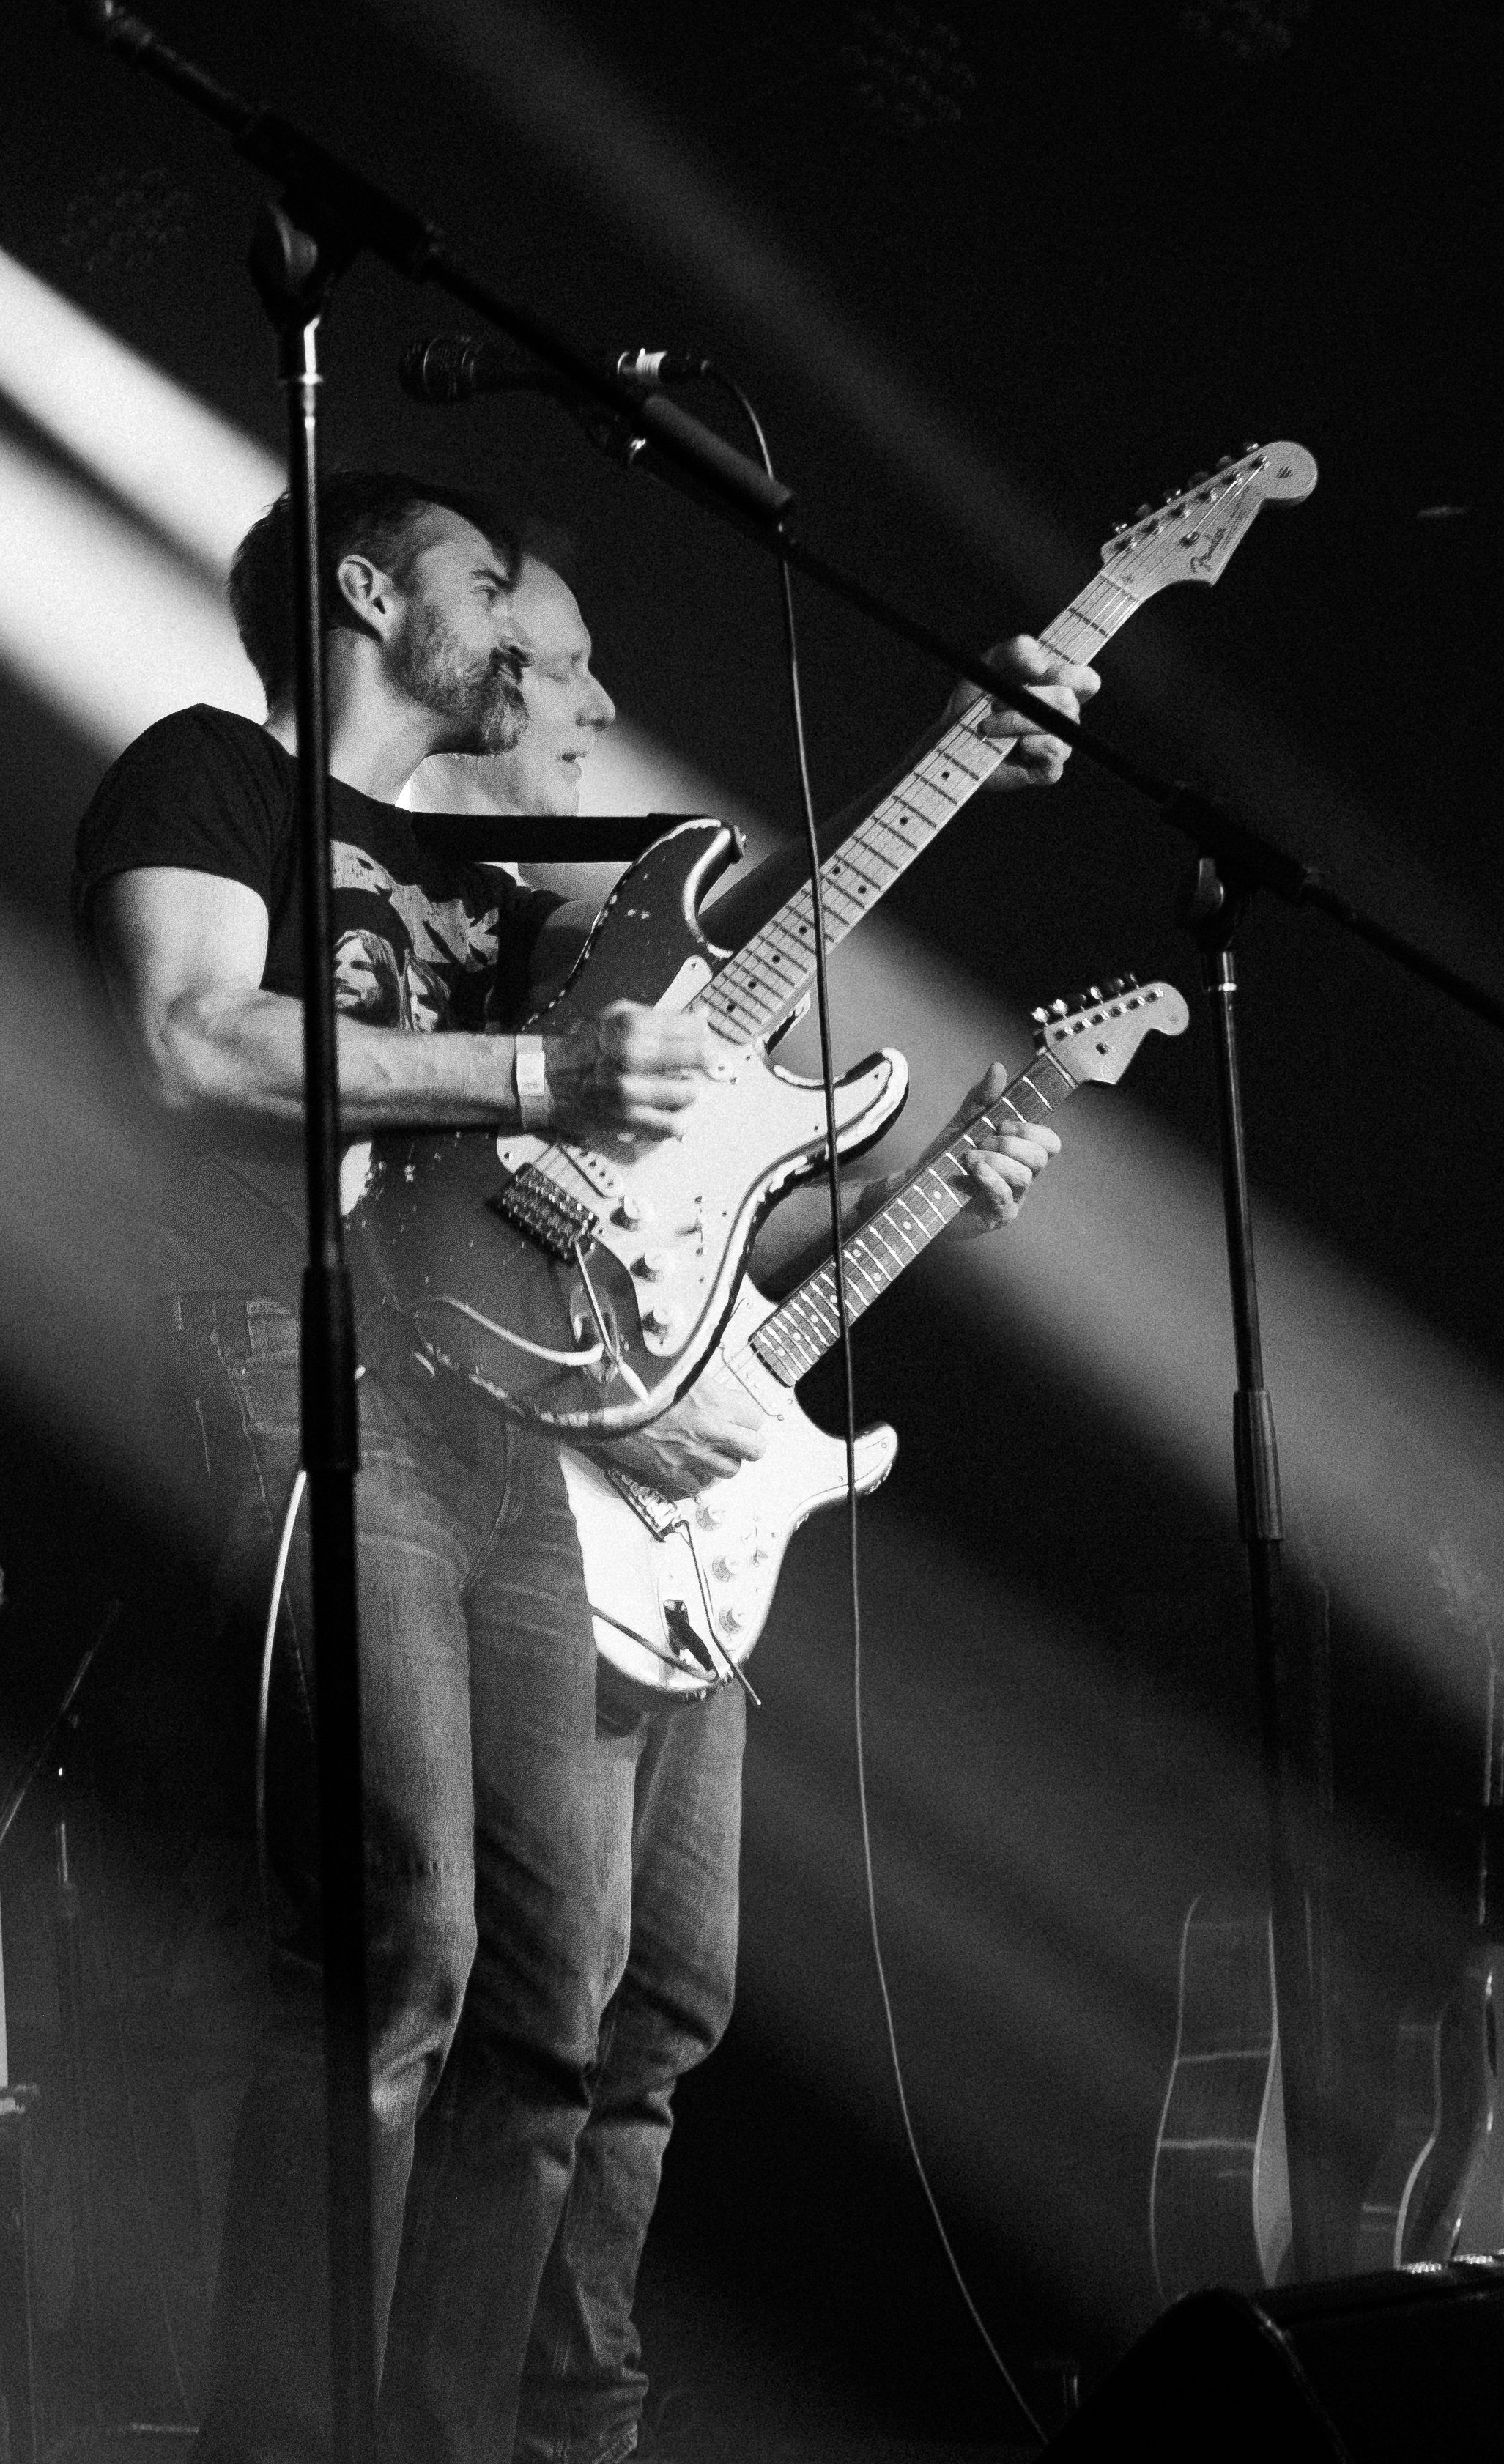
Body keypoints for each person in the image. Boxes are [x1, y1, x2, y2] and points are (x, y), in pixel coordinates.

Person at [73, 473, 1095, 2463]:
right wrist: (541, 1071)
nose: (530, 640)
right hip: (319, 1389)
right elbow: (187, 1039)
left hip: (526, 1446)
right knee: (403, 1959)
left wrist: (977, 749)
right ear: (366, 593)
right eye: (483, 589)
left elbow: (660, 1212)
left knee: (565, 2000)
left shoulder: (533, 882)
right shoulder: (212, 772)